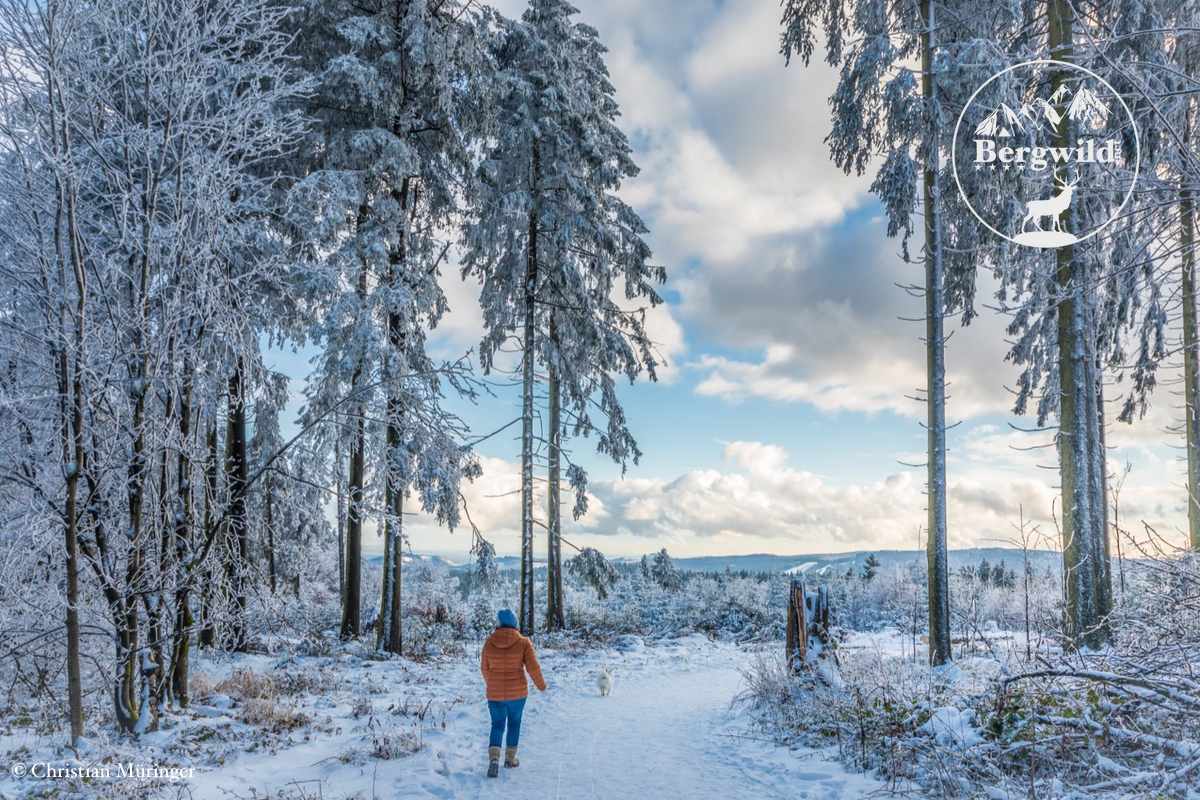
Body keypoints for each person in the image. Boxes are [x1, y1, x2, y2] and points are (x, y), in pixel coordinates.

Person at [480, 608, 546, 777]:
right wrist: (541, 686)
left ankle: (494, 759)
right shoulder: (524, 642)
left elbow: (484, 668)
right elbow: (533, 668)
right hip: (517, 694)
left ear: (499, 623)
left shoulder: (489, 642)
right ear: (514, 622)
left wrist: (492, 684)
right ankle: (510, 759)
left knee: (497, 724)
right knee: (514, 723)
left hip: (494, 694)